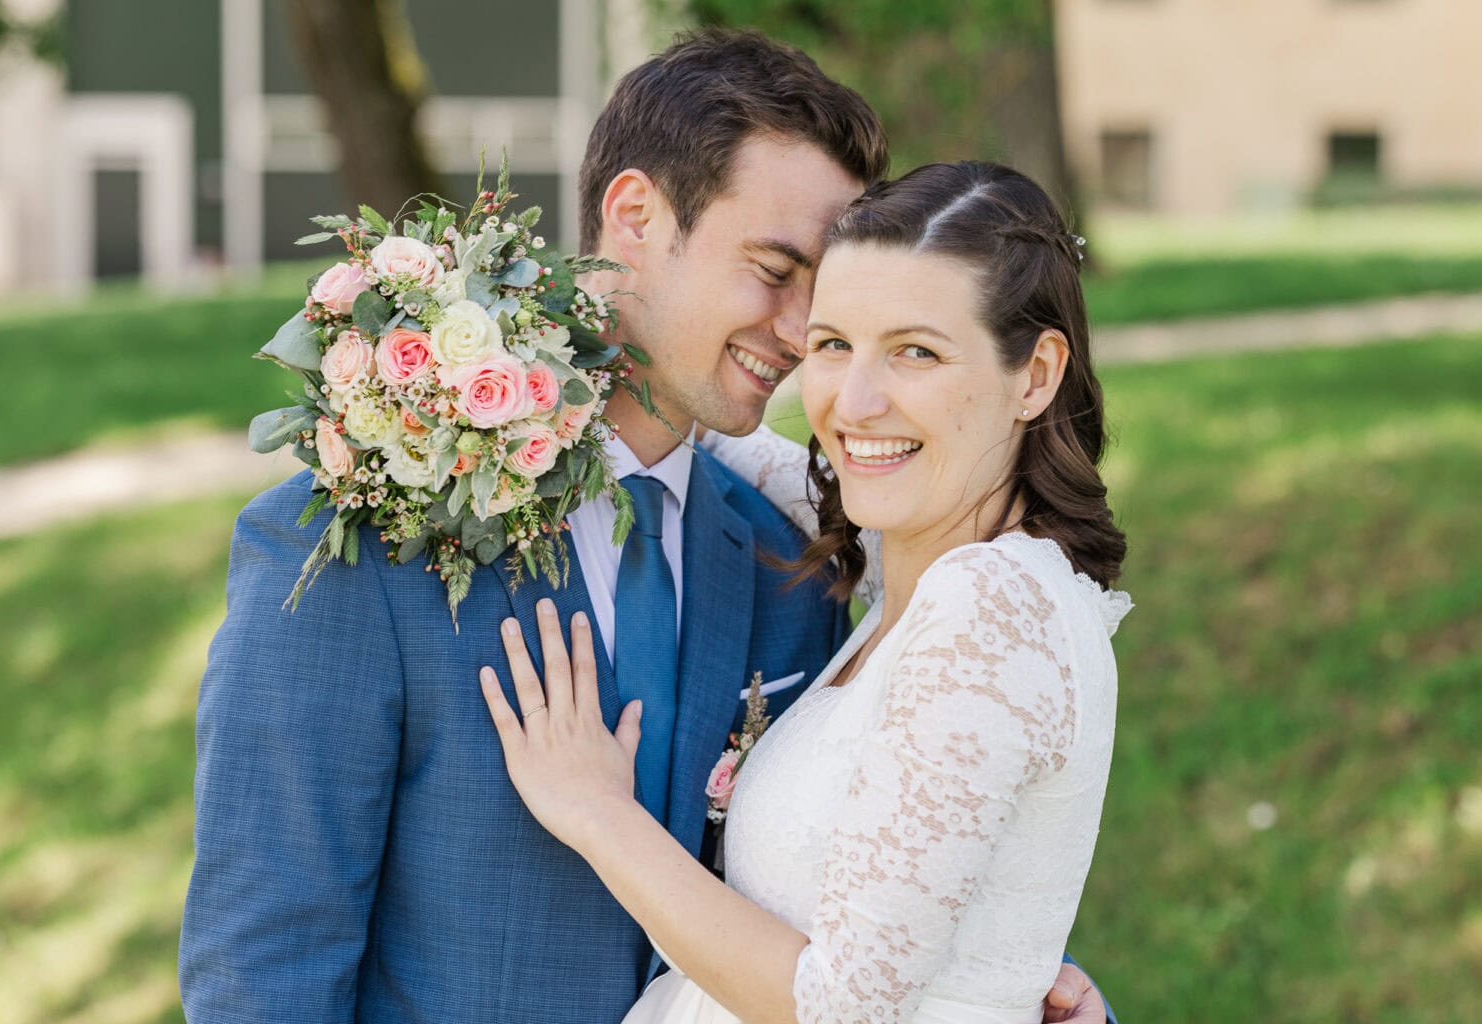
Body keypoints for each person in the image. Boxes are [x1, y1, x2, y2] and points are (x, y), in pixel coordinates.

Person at [180, 27, 1109, 1023]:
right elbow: (260, 978)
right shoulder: (354, 548)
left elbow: (885, 866)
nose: (802, 333)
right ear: (635, 217)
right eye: (776, 269)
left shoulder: (788, 564)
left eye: (824, 293)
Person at [477, 160, 1130, 1024]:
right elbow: (732, 445)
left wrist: (600, 814)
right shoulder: (926, 559)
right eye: (832, 345)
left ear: (1036, 375)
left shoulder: (987, 610)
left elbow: (839, 1008)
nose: (853, 404)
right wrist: (506, 373)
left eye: (916, 352)